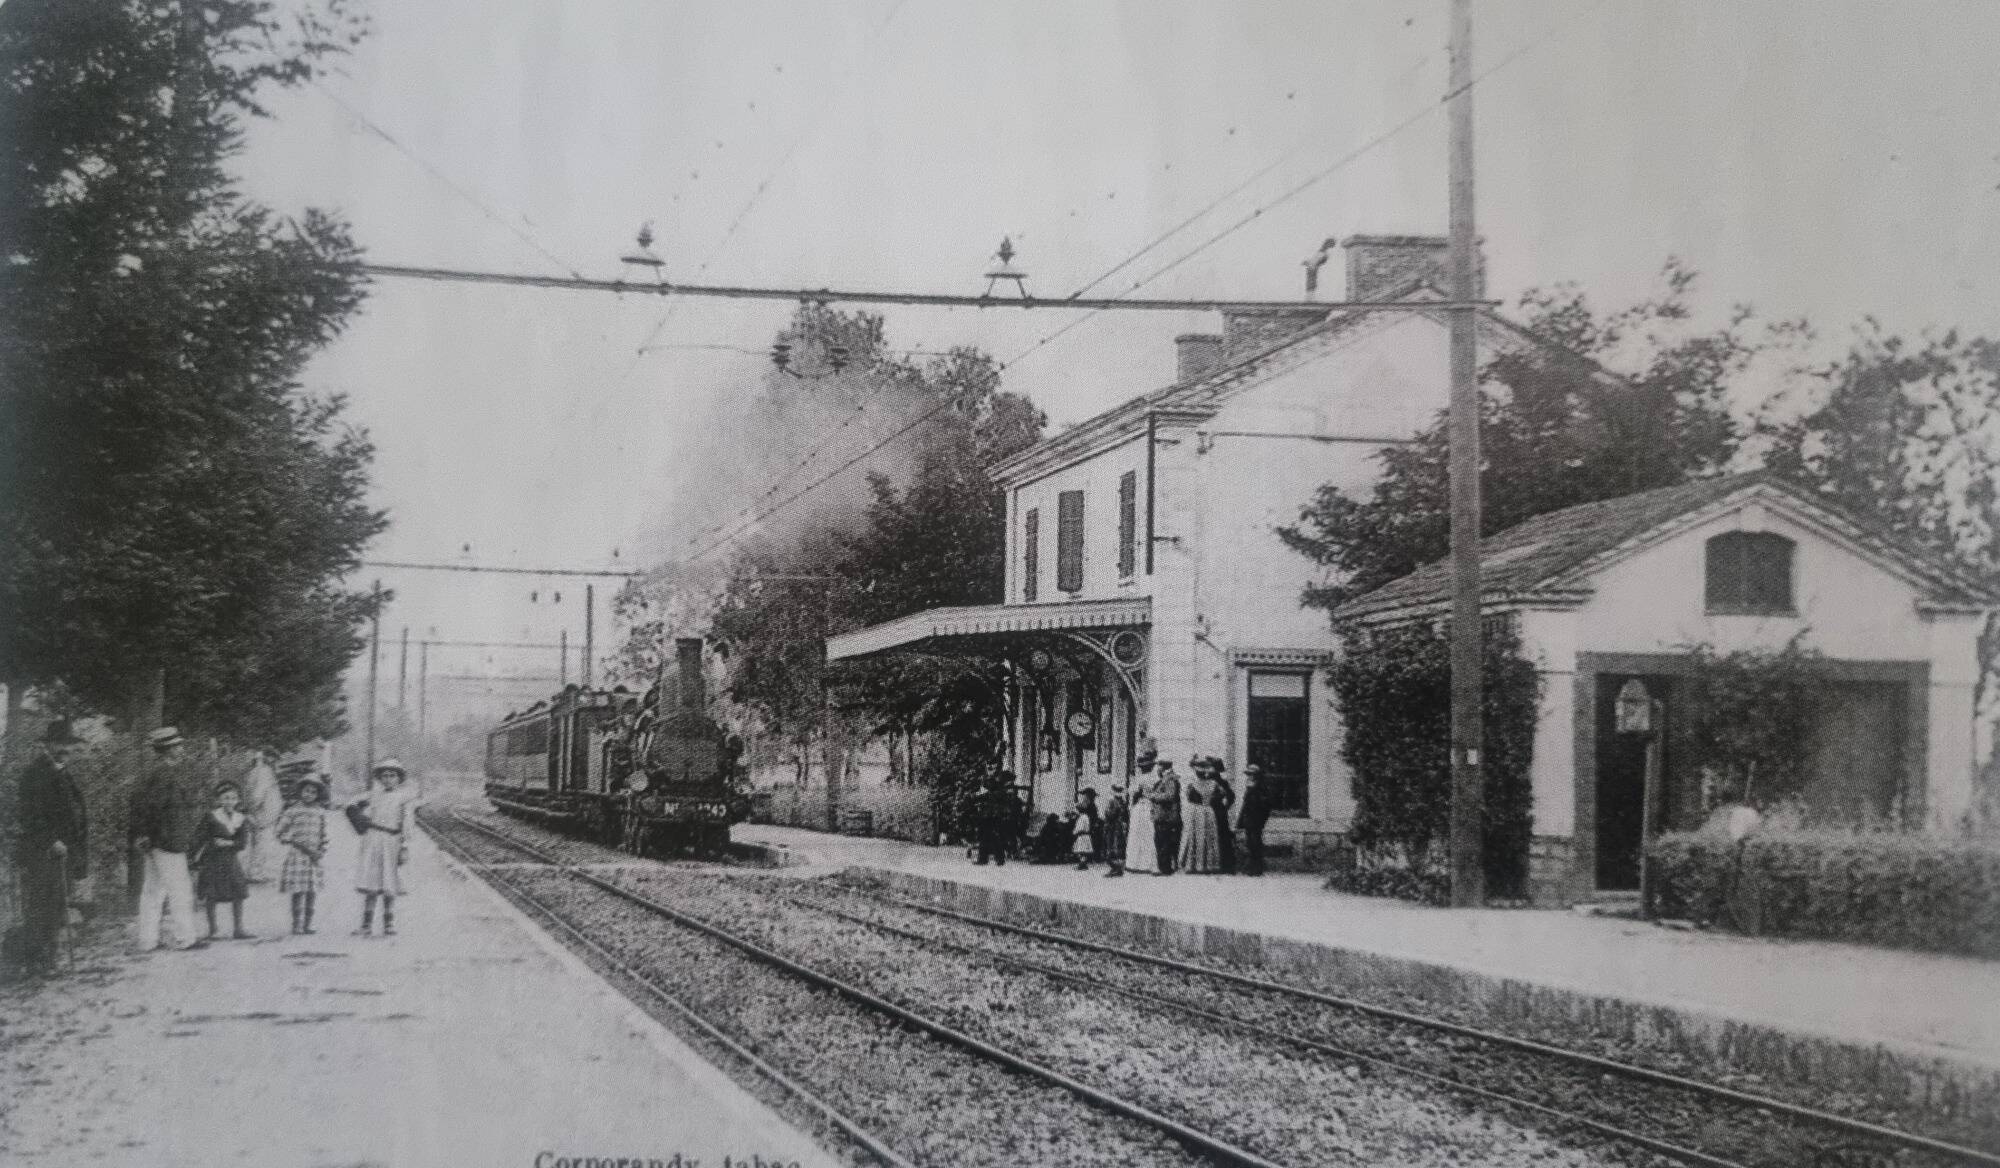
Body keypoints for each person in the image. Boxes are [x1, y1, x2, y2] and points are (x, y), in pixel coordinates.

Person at [14, 721, 89, 975]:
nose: (66, 749)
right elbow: (30, 816)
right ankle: (35, 962)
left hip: (64, 852)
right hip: (42, 852)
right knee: (41, 906)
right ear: (48, 745)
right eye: (61, 744)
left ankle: (51, 958)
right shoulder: (35, 774)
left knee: (57, 905)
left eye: (69, 744)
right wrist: (50, 840)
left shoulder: (64, 773)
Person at [131, 727, 204, 952]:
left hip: (160, 838)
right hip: (166, 838)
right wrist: (148, 834)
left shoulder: (165, 772)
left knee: (153, 889)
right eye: (176, 746)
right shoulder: (162, 774)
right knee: (179, 888)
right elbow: (149, 808)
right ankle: (185, 937)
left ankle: (148, 939)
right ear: (166, 750)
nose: (181, 749)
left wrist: (144, 835)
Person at [352, 758, 416, 937]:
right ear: (379, 778)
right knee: (371, 882)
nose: (388, 779)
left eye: (392, 775)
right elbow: (352, 803)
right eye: (384, 776)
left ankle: (388, 923)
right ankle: (366, 924)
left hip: (392, 841)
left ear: (399, 778)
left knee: (390, 882)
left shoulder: (404, 798)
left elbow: (407, 823)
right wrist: (358, 817)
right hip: (373, 840)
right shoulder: (374, 795)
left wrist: (404, 846)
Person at [193, 782, 254, 940]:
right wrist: (193, 856)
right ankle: (213, 929)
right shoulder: (212, 816)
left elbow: (242, 843)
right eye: (226, 798)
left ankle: (238, 929)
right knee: (211, 894)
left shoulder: (240, 819)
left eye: (233, 798)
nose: (230, 801)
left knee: (238, 891)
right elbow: (199, 837)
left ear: (238, 800)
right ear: (219, 800)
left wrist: (229, 843)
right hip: (212, 860)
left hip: (230, 860)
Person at [275, 776, 329, 935]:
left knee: (312, 891)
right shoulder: (292, 810)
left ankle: (308, 924)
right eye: (306, 791)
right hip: (297, 855)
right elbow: (279, 832)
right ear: (300, 792)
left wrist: (321, 850)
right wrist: (290, 840)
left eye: (313, 792)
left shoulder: (320, 812)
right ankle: (296, 924)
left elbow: (324, 835)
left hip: (314, 858)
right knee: (298, 891)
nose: (309, 794)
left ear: (318, 795)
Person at [1178, 759, 1222, 874]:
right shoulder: (1213, 784)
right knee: (1207, 836)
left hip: (1195, 811)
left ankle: (1193, 865)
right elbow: (1221, 795)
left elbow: (1188, 797)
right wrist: (1211, 799)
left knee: (1194, 836)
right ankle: (1207, 864)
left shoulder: (1192, 784)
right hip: (1208, 810)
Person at [973, 771, 1020, 866]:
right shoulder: (1002, 790)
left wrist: (981, 795)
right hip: (993, 815)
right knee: (988, 837)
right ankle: (989, 858)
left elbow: (994, 799)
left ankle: (991, 858)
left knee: (990, 837)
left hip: (993, 816)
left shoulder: (1001, 791)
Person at [1237, 763, 1273, 876]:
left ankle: (1257, 868)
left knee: (1256, 843)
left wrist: (1261, 819)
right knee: (1250, 844)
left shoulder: (1261, 787)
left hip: (1257, 820)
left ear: (1257, 775)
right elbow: (1245, 805)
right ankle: (1251, 867)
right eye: (1248, 774)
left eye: (1252, 774)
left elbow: (1266, 805)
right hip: (1249, 820)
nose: (1249, 776)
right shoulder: (1250, 787)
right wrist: (1241, 821)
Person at [1149, 759, 1183, 875]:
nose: (1157, 768)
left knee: (1163, 841)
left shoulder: (1170, 779)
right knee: (1161, 840)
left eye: (1159, 766)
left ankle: (1165, 868)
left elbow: (1170, 796)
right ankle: (1163, 866)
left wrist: (1154, 796)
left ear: (1163, 767)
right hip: (1163, 815)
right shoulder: (1167, 778)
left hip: (1166, 816)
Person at [1207, 757, 1237, 874]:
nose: (1208, 770)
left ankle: (1223, 865)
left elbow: (1230, 796)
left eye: (1210, 767)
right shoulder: (1212, 780)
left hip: (1217, 813)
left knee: (1221, 838)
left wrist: (1224, 806)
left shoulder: (1219, 782)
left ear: (1215, 769)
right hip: (1216, 812)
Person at [1101, 782, 1130, 877]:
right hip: (1120, 827)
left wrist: (1106, 811)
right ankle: (1118, 867)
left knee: (1112, 846)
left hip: (1112, 827)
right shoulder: (1123, 802)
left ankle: (1115, 868)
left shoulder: (1113, 801)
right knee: (1118, 846)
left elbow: (1110, 814)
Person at [1070, 789, 1099, 870]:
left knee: (1082, 849)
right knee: (1083, 849)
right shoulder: (1090, 806)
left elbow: (1090, 820)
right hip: (1087, 830)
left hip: (1085, 831)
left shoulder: (1090, 807)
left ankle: (1083, 863)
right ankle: (1084, 862)